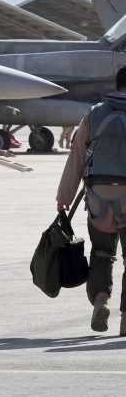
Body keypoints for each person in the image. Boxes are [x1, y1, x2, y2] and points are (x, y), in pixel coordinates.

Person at [57, 67, 126, 336]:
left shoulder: (95, 113)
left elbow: (76, 157)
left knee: (102, 254)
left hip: (98, 198)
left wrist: (64, 197)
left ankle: (101, 302)